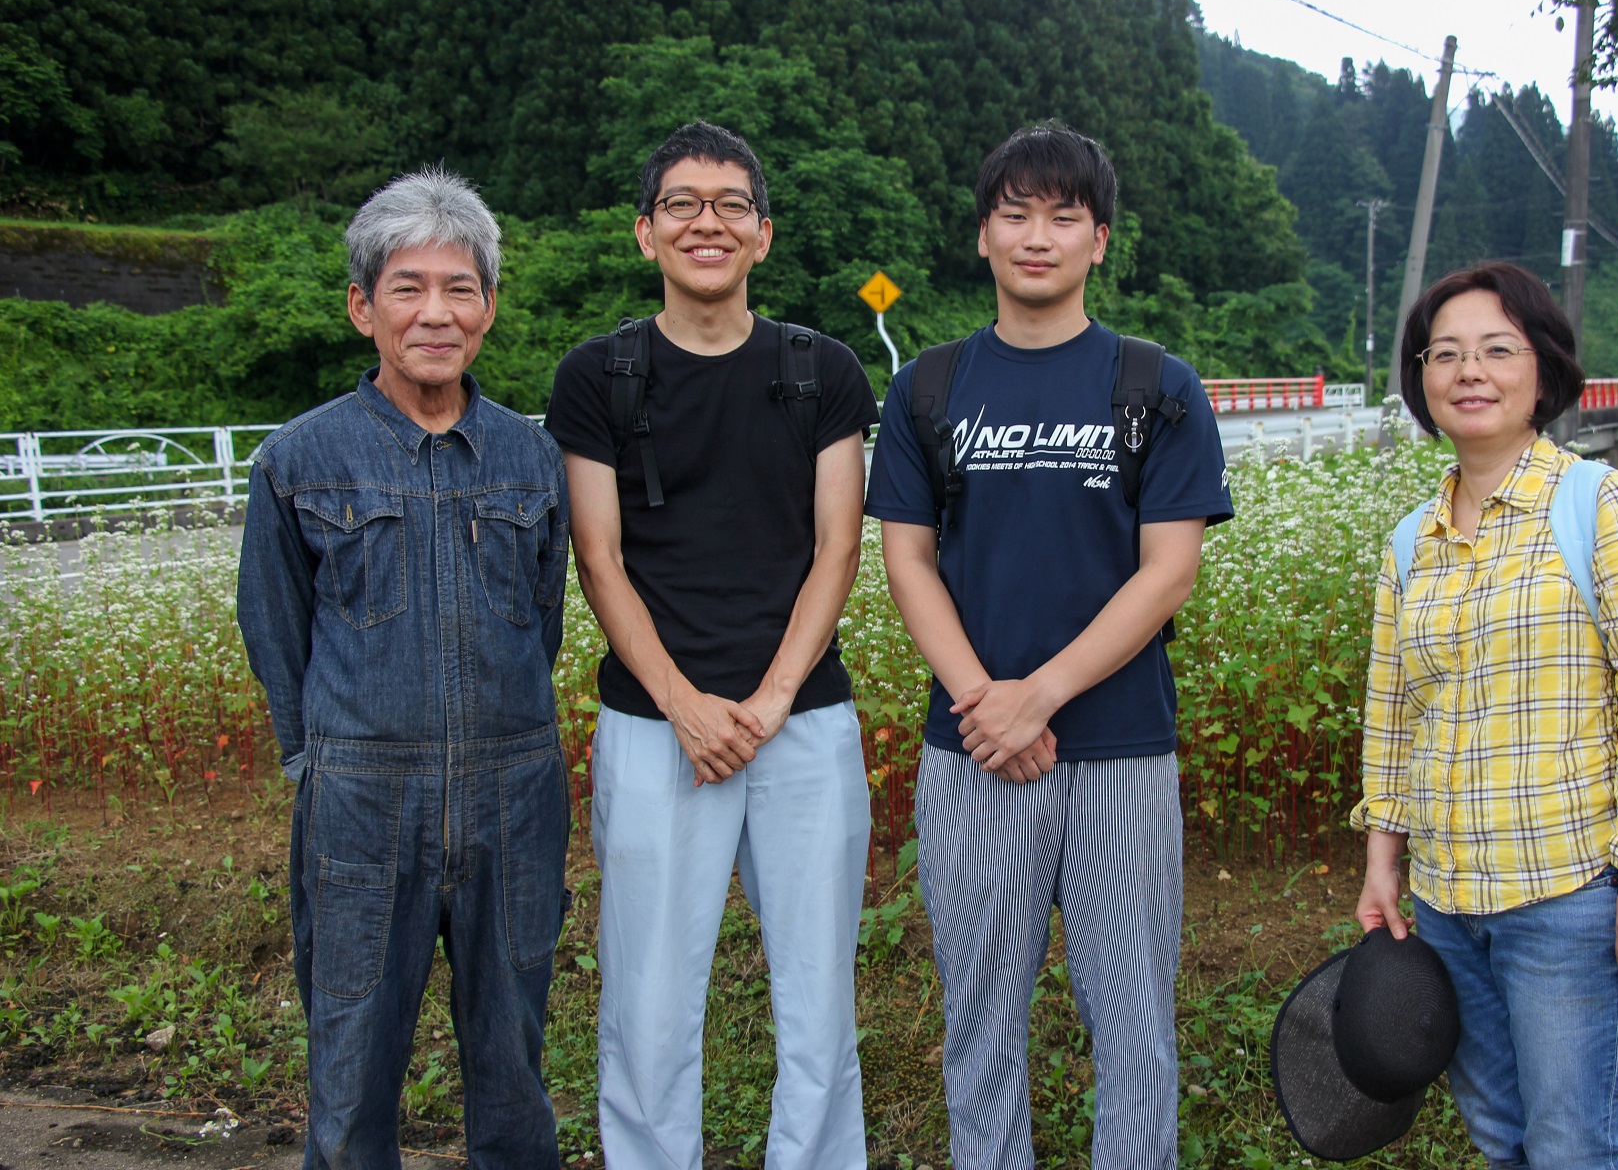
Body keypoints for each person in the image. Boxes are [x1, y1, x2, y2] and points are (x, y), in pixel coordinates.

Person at [864, 122, 1234, 1170]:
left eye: (1063, 217)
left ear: (1100, 240)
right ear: (982, 235)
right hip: (973, 750)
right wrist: (989, 699)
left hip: (1121, 750)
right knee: (979, 1026)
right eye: (1016, 214)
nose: (1039, 236)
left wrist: (1042, 696)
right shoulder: (927, 387)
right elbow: (908, 561)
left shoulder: (1157, 384)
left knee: (1134, 1026)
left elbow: (1166, 570)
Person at [544, 121, 877, 1170]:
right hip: (653, 727)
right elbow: (599, 558)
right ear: (646, 233)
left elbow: (837, 550)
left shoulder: (821, 370)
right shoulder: (597, 377)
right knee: (645, 1001)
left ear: (764, 236)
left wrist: (770, 703)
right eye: (682, 204)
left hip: (805, 723)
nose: (708, 223)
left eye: (732, 205)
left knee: (819, 1000)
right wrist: (686, 704)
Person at [237, 168, 571, 1169]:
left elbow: (543, 624)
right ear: (362, 307)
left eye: (459, 288)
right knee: (350, 1069)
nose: (436, 312)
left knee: (513, 1067)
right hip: (358, 803)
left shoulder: (530, 459)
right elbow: (276, 631)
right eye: (408, 288)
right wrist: (319, 765)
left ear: (489, 306)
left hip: (513, 795)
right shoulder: (297, 461)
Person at [1353, 260, 1618, 1169]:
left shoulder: (1604, 506)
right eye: (1446, 354)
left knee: (1576, 1144)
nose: (1469, 371)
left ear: (1541, 372)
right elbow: (1395, 710)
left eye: (1496, 350)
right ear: (1421, 380)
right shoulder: (1411, 537)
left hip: (1569, 899)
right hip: (1443, 901)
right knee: (1500, 1134)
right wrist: (1383, 858)